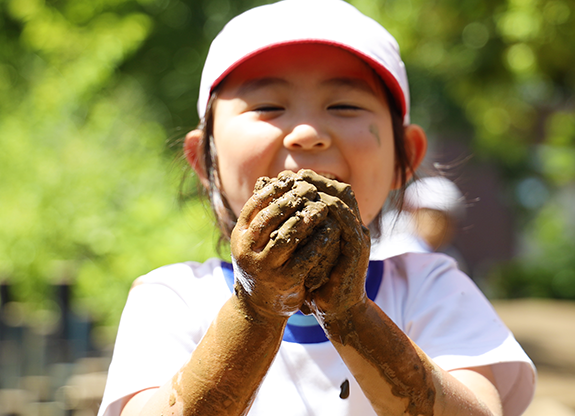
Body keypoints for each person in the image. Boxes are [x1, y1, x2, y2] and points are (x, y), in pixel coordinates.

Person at [98, 1, 535, 415]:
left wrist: (351, 315)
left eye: (344, 106)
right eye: (268, 107)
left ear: (406, 155)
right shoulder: (173, 300)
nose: (306, 133)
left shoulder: (431, 289)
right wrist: (257, 309)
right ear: (203, 160)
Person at [371, 176, 470, 275]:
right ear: (414, 213)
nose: (440, 228)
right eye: (433, 217)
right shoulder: (399, 249)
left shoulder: (452, 260)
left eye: (448, 222)